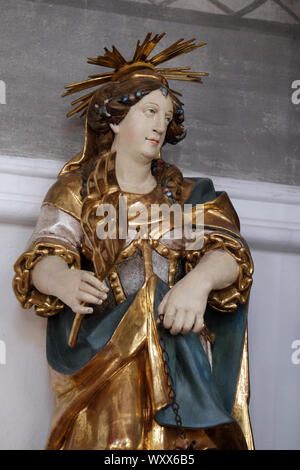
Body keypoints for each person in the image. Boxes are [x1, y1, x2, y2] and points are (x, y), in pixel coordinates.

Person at [12, 33, 254, 450]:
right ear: (116, 119)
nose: (161, 123)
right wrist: (64, 280)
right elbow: (42, 257)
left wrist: (195, 286)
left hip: (180, 351)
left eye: (168, 114)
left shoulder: (188, 194)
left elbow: (229, 252)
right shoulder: (78, 191)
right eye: (149, 111)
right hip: (104, 353)